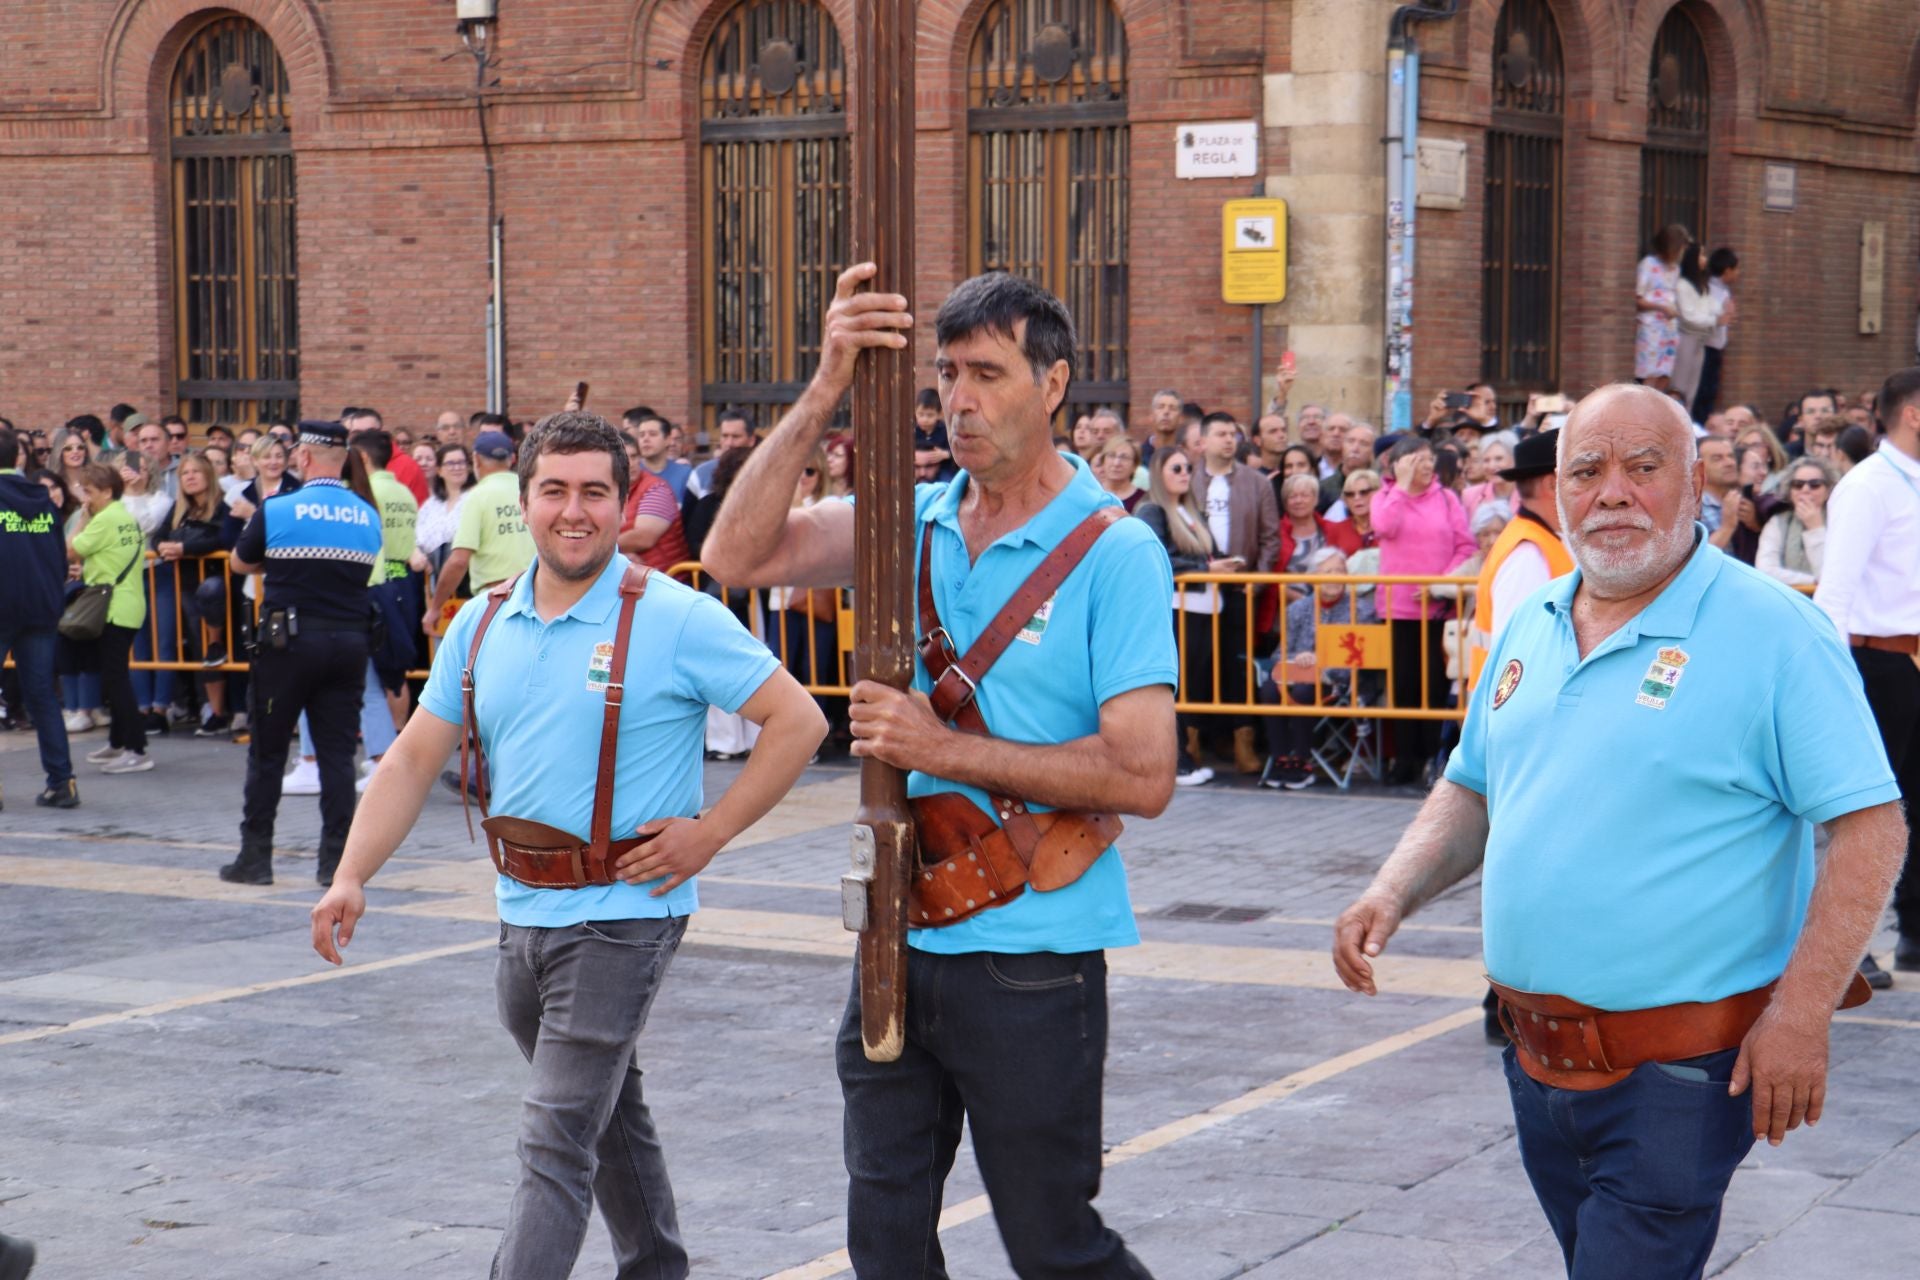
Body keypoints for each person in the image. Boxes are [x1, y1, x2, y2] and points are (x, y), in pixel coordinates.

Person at [1334, 383, 1907, 1279]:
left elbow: (1871, 828)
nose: (1613, 494)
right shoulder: (1533, 617)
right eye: (1587, 471)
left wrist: (1802, 1014)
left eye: (1643, 469)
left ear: (1693, 481)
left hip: (1679, 1078)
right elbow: (1473, 786)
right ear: (1555, 490)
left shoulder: (1777, 634)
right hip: (1535, 1066)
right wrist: (1389, 891)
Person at [701, 264, 1176, 1279]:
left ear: (1054, 384)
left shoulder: (1115, 550)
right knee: (884, 1240)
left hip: (1033, 956)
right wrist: (827, 383)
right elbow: (736, 555)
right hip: (897, 933)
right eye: (947, 376)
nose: (960, 401)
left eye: (989, 374)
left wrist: (943, 748)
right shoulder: (905, 517)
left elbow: (1145, 772)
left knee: (1055, 1245)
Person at [309, 411, 823, 1280]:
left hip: (625, 917)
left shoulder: (674, 615)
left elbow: (798, 719)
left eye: (595, 491)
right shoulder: (482, 621)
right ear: (523, 500)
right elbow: (409, 760)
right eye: (555, 490)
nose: (573, 511)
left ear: (625, 506)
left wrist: (712, 832)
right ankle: (657, 1265)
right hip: (520, 912)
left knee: (553, 1139)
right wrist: (352, 874)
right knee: (605, 1111)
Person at [220, 421, 384, 886]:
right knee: (337, 757)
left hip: (286, 645)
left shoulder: (278, 508)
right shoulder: (366, 515)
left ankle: (255, 858)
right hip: (349, 644)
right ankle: (335, 864)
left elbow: (239, 561)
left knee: (268, 753)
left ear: (305, 458)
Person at [1815, 366, 1920, 981]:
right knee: (1868, 813)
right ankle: (1847, 953)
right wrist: (1835, 680)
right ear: (1912, 413)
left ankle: (1914, 932)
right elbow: (1837, 593)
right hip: (1878, 661)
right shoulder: (1868, 486)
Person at [1372, 435, 1474, 784]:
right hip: (1397, 609)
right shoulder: (1384, 497)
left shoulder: (1447, 499)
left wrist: (1441, 584)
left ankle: (1430, 758)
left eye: (1428, 457)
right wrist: (1400, 487)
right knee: (1402, 686)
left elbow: (1465, 546)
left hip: (1437, 607)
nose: (1425, 464)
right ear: (1397, 463)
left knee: (1432, 686)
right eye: (1415, 458)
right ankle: (1403, 759)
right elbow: (1383, 527)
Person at [1138, 446, 1238, 787]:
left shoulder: (1191, 512)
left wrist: (1227, 564)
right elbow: (1159, 556)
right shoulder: (1153, 510)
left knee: (1191, 686)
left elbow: (1209, 553)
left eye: (1187, 468)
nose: (1184, 473)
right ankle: (1177, 761)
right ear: (1159, 473)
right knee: (1175, 688)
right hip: (1177, 608)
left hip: (1204, 608)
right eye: (1176, 468)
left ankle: (1184, 757)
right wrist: (1208, 568)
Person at [1194, 409, 1280, 774]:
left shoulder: (1257, 482)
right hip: (1196, 586)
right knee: (1196, 664)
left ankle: (1243, 743)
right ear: (1204, 441)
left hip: (1241, 587)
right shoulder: (1188, 478)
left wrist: (1256, 582)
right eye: (1221, 434)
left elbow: (1270, 538)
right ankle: (1192, 741)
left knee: (1237, 665)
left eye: (1233, 434)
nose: (1229, 439)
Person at [0, 429, 78, 808]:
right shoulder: (44, 501)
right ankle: (62, 783)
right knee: (43, 696)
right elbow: (59, 557)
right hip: (41, 607)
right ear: (18, 458)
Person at [1259, 545, 1376, 789]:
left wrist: (1322, 664)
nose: (1333, 577)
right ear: (1314, 576)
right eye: (1327, 571)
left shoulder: (1362, 610)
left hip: (1339, 681)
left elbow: (1363, 659)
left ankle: (1302, 761)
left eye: (1339, 571)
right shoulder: (1298, 609)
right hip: (1297, 674)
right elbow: (1279, 653)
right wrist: (1298, 656)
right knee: (1270, 690)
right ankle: (1280, 759)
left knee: (1303, 693)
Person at [1465, 429, 1572, 692]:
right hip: (1514, 709)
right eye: (1581, 475)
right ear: (1552, 483)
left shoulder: (1540, 539)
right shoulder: (1528, 553)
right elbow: (1516, 654)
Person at [67, 463, 151, 774]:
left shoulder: (104, 520)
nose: (85, 498)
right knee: (114, 676)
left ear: (107, 491)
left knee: (116, 680)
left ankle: (137, 749)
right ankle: (118, 742)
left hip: (114, 607)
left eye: (89, 492)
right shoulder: (125, 516)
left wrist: (83, 519)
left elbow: (70, 549)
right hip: (127, 604)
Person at [153, 452, 235, 735]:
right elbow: (158, 536)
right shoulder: (179, 509)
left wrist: (186, 550)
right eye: (185, 473)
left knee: (213, 647)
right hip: (185, 586)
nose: (189, 477)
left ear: (208, 476)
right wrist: (164, 547)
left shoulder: (223, 506)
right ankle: (208, 709)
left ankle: (219, 711)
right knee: (197, 647)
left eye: (195, 472)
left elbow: (225, 538)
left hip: (217, 587)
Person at [425, 430, 534, 641]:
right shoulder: (530, 490)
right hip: (537, 592)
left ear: (475, 459)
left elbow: (458, 560)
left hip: (498, 597)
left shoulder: (477, 496)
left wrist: (435, 607)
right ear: (512, 458)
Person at [1755, 456, 1833, 587]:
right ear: (1790, 491)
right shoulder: (1778, 522)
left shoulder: (1839, 519)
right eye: (1798, 485)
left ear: (1827, 491)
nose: (1805, 490)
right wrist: (1812, 581)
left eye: (1815, 485)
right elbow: (1765, 570)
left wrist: (1816, 528)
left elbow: (1830, 574)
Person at [1635, 223, 1687, 390]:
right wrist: (1661, 307)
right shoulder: (1648, 264)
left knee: (1665, 374)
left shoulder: (1676, 269)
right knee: (1650, 374)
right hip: (1651, 329)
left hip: (1669, 328)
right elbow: (1638, 298)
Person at [1692, 247, 1739, 420]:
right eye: (1736, 269)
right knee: (1703, 392)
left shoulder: (1723, 291)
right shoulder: (1708, 289)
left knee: (1711, 391)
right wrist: (1722, 319)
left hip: (1716, 348)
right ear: (1727, 270)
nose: (1737, 273)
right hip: (1706, 348)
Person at [414, 441, 471, 574]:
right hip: (433, 575)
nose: (457, 467)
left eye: (461, 462)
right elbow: (416, 538)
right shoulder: (431, 505)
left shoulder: (475, 497)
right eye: (450, 463)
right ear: (439, 470)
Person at [687, 406, 758, 504]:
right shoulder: (700, 474)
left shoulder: (763, 471)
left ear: (751, 440)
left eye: (736, 437)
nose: (729, 443)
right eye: (725, 436)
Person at [1095, 435, 1146, 512]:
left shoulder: (1144, 500)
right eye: (1111, 456)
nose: (1116, 463)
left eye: (1124, 457)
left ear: (1135, 465)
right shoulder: (1091, 495)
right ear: (1103, 461)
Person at [824, 430, 857, 500]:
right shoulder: (820, 489)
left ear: (851, 460)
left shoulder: (858, 494)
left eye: (837, 455)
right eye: (829, 454)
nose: (829, 459)